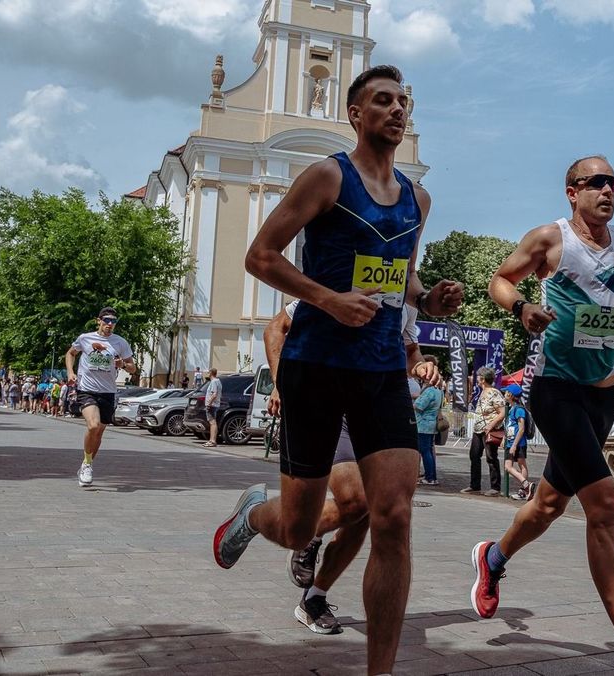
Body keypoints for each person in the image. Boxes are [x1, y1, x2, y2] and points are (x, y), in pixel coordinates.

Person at [215, 64, 463, 674]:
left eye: (404, 101)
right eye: (383, 101)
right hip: (316, 365)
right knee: (300, 529)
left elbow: (400, 279)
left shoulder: (417, 198)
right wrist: (327, 299)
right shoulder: (328, 175)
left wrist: (429, 301)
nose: (397, 110)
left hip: (380, 369)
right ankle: (252, 515)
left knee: (394, 515)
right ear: (355, 114)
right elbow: (259, 256)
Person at [470, 155, 614, 676]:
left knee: (548, 505)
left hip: (602, 395)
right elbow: (499, 280)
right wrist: (521, 307)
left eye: (613, 182)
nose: (608, 190)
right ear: (572, 192)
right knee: (604, 505)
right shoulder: (552, 239)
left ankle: (492, 559)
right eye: (596, 183)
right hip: (555, 388)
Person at [267, 299, 436, 635]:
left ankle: (315, 597)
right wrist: (280, 383)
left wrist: (418, 365)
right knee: (355, 501)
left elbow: (407, 349)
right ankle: (305, 533)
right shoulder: (339, 267)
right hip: (329, 406)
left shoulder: (405, 289)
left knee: (367, 514)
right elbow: (275, 329)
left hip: (377, 408)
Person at [66, 307, 136, 487]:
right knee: (93, 425)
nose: (110, 324)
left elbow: (133, 367)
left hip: (108, 392)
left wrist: (123, 365)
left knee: (99, 432)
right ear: (99, 320)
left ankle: (86, 463)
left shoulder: (120, 342)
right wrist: (70, 372)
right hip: (87, 389)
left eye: (113, 321)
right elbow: (70, 353)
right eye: (106, 320)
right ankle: (87, 465)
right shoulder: (85, 338)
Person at [462, 367, 504, 497]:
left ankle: (495, 487)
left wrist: (491, 425)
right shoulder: (482, 392)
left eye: (479, 377)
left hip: (489, 430)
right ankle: (474, 485)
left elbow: (502, 412)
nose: (477, 380)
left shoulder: (494, 393)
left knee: (491, 457)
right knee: (474, 455)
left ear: (483, 379)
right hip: (478, 429)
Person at [500, 384, 535, 500]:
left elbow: (521, 429)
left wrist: (514, 445)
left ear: (510, 395)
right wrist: (505, 438)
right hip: (510, 442)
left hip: (518, 444)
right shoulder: (511, 409)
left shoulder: (519, 410)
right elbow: (509, 426)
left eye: (506, 393)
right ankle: (525, 489)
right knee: (509, 466)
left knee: (517, 465)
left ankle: (526, 486)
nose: (504, 395)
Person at [413, 358, 442, 486]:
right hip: (431, 424)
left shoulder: (429, 391)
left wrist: (412, 399)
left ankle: (429, 477)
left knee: (425, 452)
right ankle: (433, 477)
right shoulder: (438, 391)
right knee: (429, 451)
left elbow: (419, 406)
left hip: (423, 424)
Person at [203, 368, 222, 447]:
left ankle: (212, 441)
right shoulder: (218, 381)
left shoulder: (214, 382)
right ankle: (212, 440)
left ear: (211, 373)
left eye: (208, 372)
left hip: (212, 405)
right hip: (215, 404)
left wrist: (209, 403)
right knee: (213, 423)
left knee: (212, 422)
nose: (207, 373)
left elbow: (214, 394)